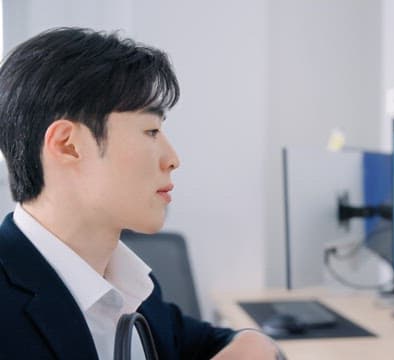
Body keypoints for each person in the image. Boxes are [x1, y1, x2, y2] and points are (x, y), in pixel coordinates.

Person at [0, 27, 279, 359]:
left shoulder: (128, 286)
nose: (172, 159)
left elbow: (219, 342)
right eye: (151, 131)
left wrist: (255, 343)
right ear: (68, 145)